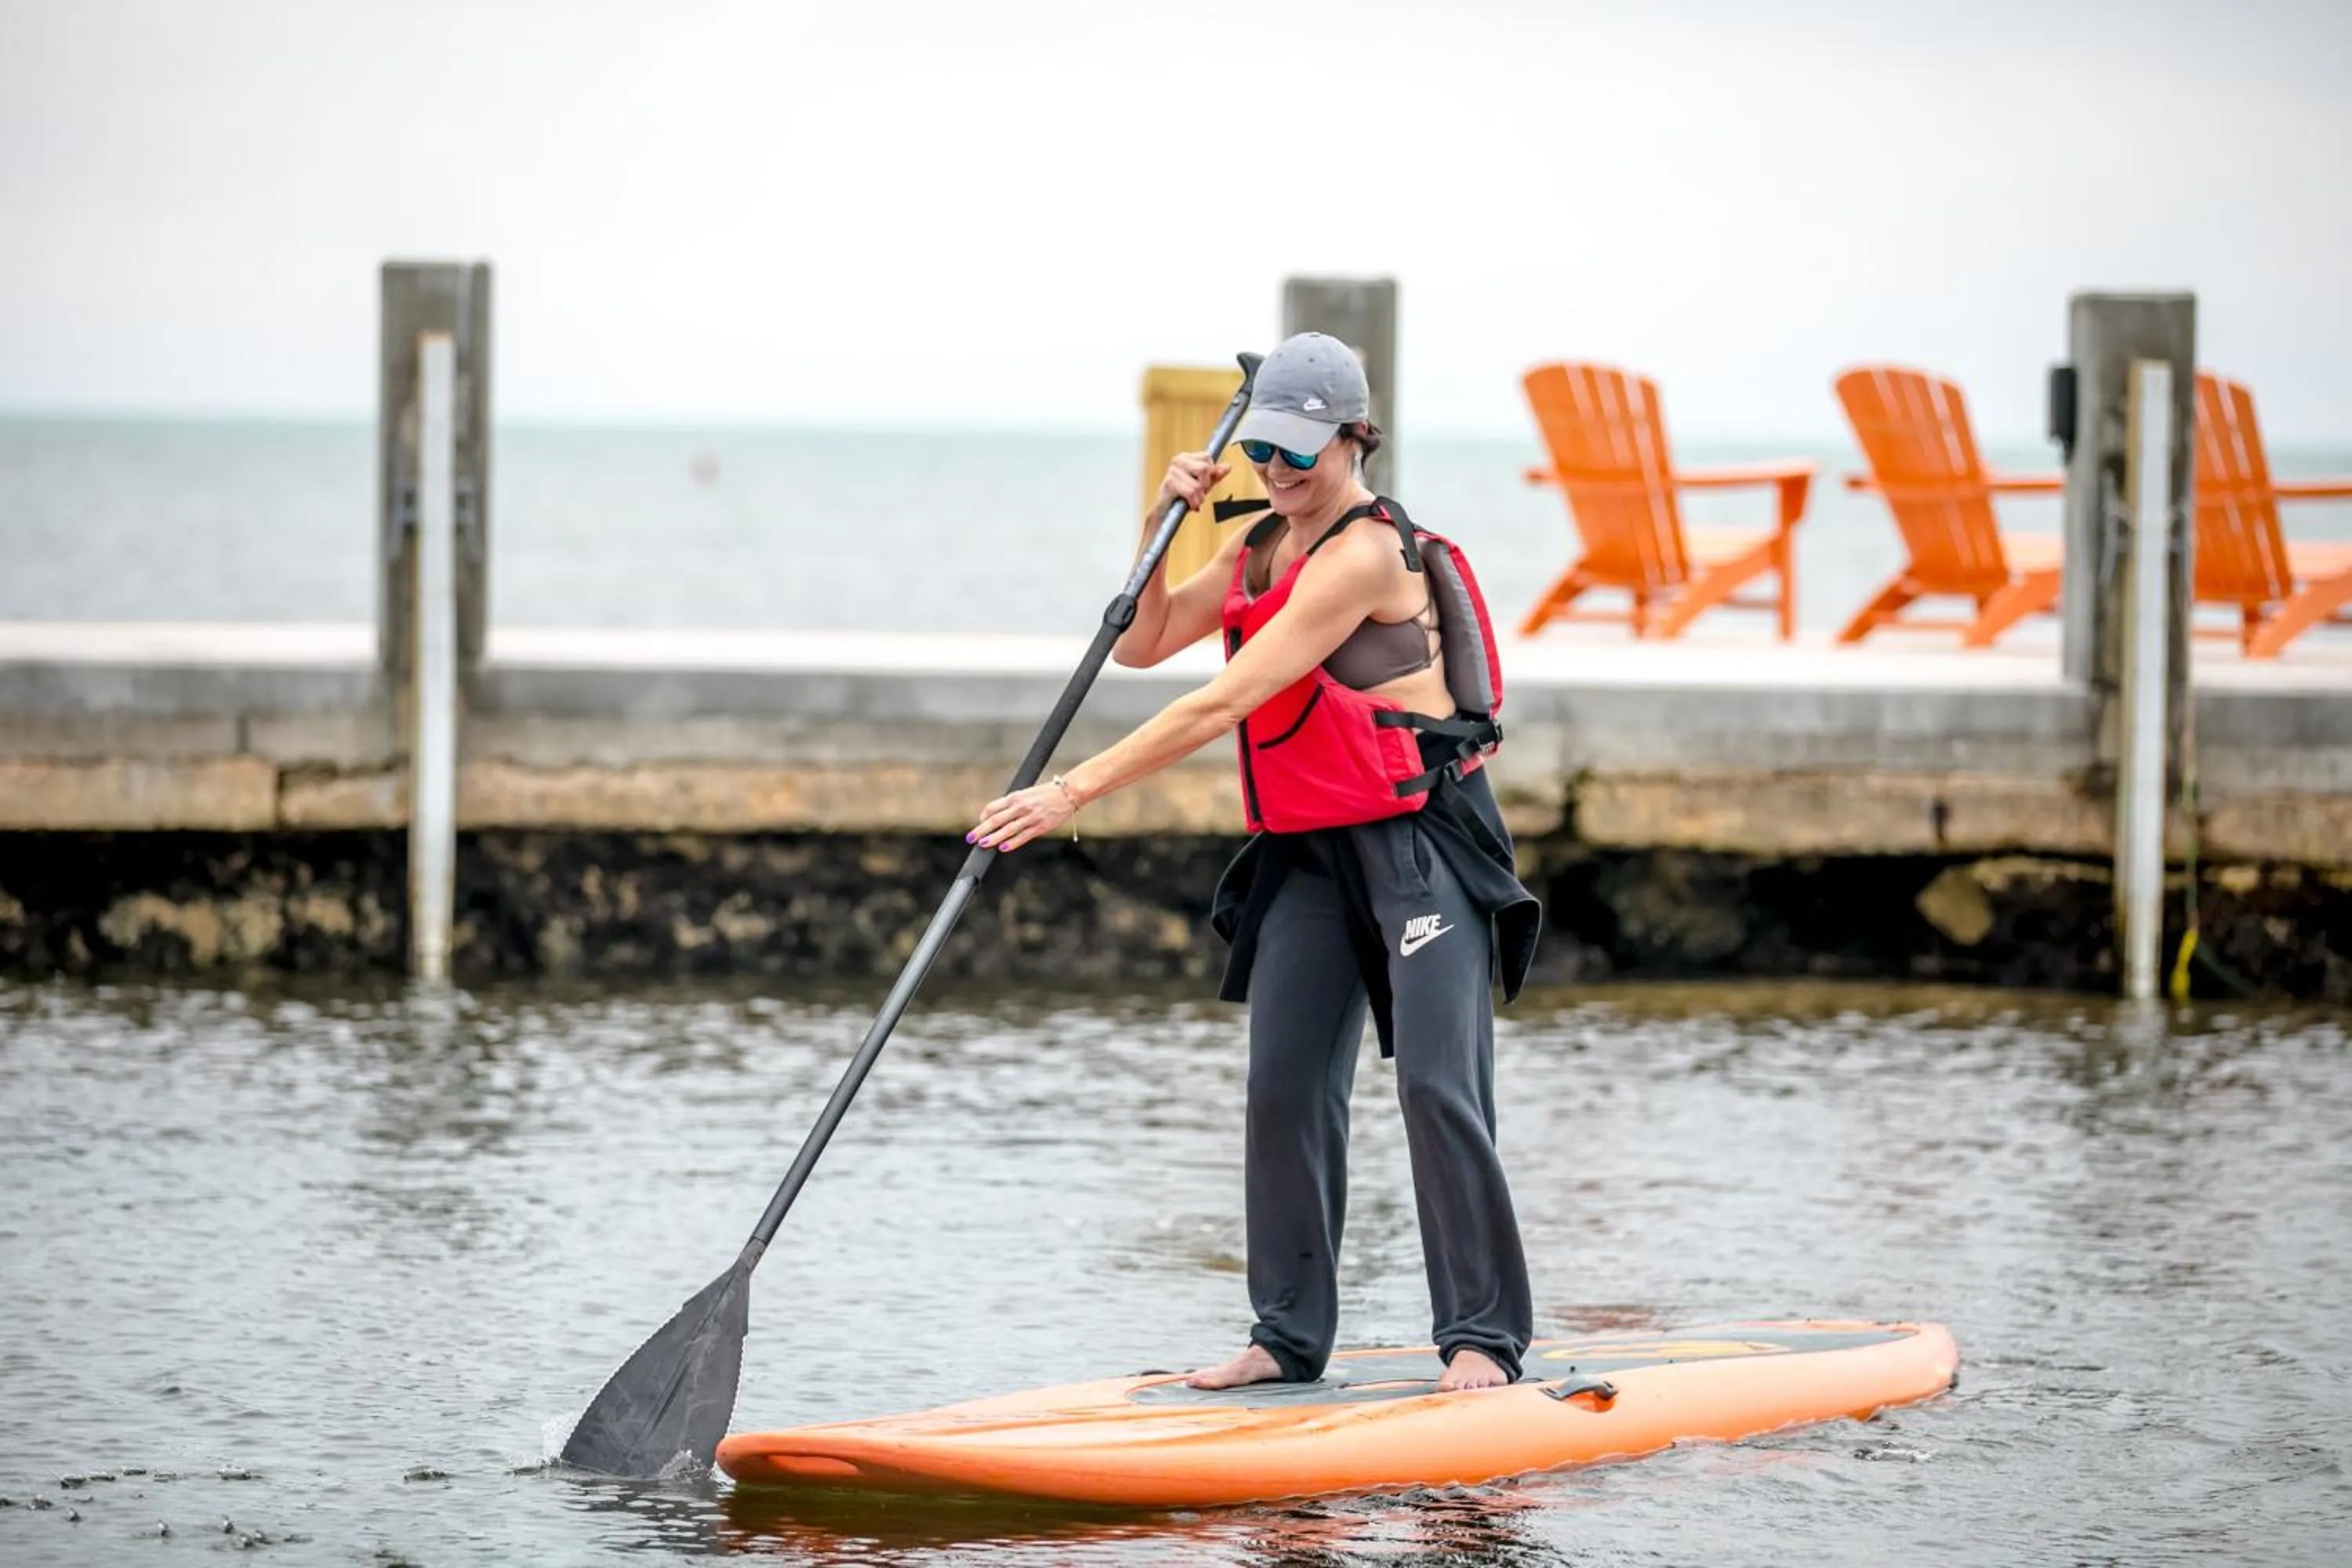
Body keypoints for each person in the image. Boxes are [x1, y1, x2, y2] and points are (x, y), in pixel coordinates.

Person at [967, 332, 1541, 1393]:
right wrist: (1161, 522)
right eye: (1264, 449)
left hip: (1420, 843)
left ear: (1355, 438)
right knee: (1283, 1088)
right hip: (1310, 850)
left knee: (1436, 1086)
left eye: (1300, 452)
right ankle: (1286, 1337)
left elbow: (1226, 698)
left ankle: (1482, 1338)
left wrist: (1070, 793)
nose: (1278, 470)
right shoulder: (1256, 546)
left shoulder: (1367, 555)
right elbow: (1143, 643)